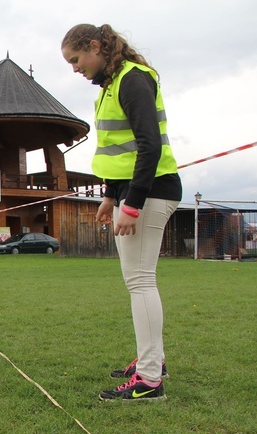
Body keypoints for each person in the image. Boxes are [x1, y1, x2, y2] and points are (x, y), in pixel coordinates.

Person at [61, 24, 182, 401]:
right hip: (132, 192)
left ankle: (149, 380)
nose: (75, 69)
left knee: (140, 282)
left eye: (76, 59)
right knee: (139, 281)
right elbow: (121, 151)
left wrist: (132, 203)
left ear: (95, 47)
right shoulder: (111, 86)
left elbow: (148, 147)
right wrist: (112, 196)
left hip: (150, 191)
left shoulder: (133, 80)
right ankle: (152, 362)